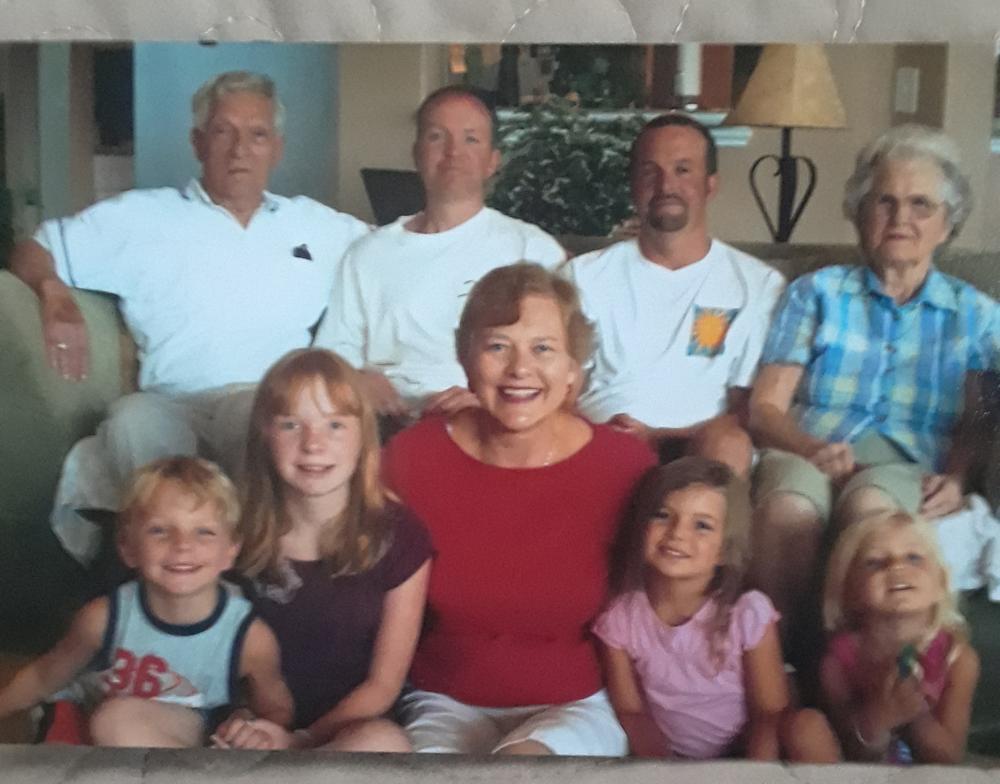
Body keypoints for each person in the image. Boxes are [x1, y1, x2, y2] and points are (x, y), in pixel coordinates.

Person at [9, 70, 369, 561]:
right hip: (167, 399)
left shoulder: (319, 227)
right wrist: (52, 292)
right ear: (198, 142)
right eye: (224, 132)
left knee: (259, 420)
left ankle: (249, 571)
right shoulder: (141, 218)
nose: (240, 149)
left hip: (261, 398)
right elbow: (33, 247)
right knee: (131, 420)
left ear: (276, 148)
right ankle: (169, 579)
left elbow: (394, 259)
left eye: (257, 134)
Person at [382, 262, 656, 756]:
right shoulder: (410, 458)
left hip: (572, 705)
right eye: (497, 346)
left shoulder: (626, 465)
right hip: (442, 700)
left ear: (573, 369)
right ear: (467, 361)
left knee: (520, 768)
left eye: (544, 349)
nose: (519, 369)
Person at [749, 125, 998, 634]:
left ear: (947, 225)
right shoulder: (815, 293)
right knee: (788, 509)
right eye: (884, 201)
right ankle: (778, 666)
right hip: (809, 446)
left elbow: (978, 416)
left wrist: (957, 477)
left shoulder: (977, 315)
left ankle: (858, 677)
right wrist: (809, 446)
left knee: (873, 511)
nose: (900, 218)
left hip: (909, 459)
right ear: (860, 214)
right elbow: (765, 409)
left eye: (920, 205)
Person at [211, 349, 432, 752]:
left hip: (346, 735)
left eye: (335, 425)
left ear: (363, 438)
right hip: (254, 726)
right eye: (292, 424)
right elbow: (216, 656)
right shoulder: (234, 531)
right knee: (119, 720)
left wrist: (300, 742)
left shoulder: (401, 535)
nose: (314, 444)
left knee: (383, 743)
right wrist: (244, 724)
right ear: (265, 434)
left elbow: (383, 685)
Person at [314, 86, 565, 428]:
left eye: (471, 139)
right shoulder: (369, 254)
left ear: (493, 161)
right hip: (389, 421)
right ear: (416, 153)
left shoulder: (531, 250)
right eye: (437, 137)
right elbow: (331, 352)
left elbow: (562, 360)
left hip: (493, 419)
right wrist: (355, 377)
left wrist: (490, 398)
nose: (452, 152)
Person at [0, 456, 292, 747]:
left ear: (230, 550)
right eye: (159, 530)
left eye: (204, 532)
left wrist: (250, 727)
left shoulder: (249, 638)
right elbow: (43, 676)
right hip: (102, 742)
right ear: (128, 548)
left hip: (193, 745)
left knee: (117, 720)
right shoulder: (102, 618)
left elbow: (277, 711)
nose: (182, 545)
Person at [566, 113, 785, 477]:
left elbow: (748, 409)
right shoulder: (583, 277)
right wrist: (614, 436)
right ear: (634, 185)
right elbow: (559, 391)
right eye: (651, 171)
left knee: (728, 443)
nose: (666, 185)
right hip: (604, 444)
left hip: (702, 450)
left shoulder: (758, 285)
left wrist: (662, 437)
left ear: (710, 185)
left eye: (683, 170)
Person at [593, 457, 788, 759]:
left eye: (702, 525)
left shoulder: (747, 614)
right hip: (671, 762)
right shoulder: (620, 620)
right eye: (662, 515)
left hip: (746, 757)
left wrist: (751, 776)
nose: (677, 533)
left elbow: (769, 713)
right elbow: (632, 714)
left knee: (807, 727)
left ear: (724, 548)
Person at [783, 511, 979, 764]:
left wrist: (913, 714)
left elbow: (949, 760)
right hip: (861, 771)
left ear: (941, 583)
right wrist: (881, 715)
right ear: (848, 589)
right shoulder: (838, 660)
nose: (897, 567)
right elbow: (854, 754)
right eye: (875, 562)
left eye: (914, 557)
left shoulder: (958, 658)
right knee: (805, 728)